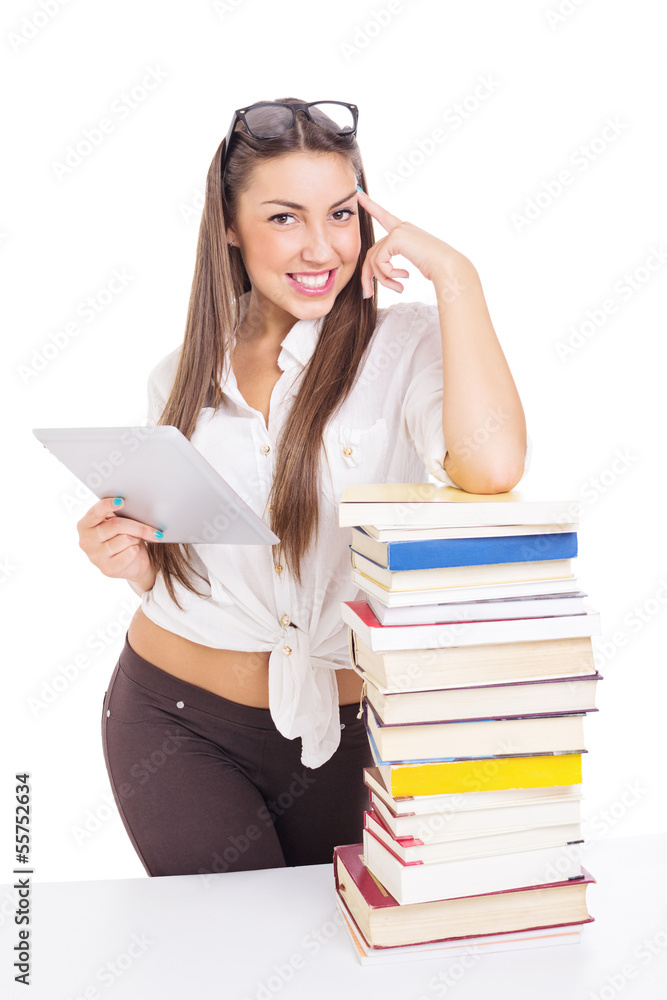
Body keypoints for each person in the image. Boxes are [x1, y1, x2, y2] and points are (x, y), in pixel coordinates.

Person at [77, 97, 528, 879]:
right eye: (285, 217)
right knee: (228, 941)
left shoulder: (405, 344)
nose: (322, 247)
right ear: (229, 226)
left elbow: (490, 468)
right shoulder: (180, 373)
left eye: (342, 214)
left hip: (351, 731)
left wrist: (457, 276)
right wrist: (134, 562)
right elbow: (191, 563)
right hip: (173, 718)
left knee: (337, 938)